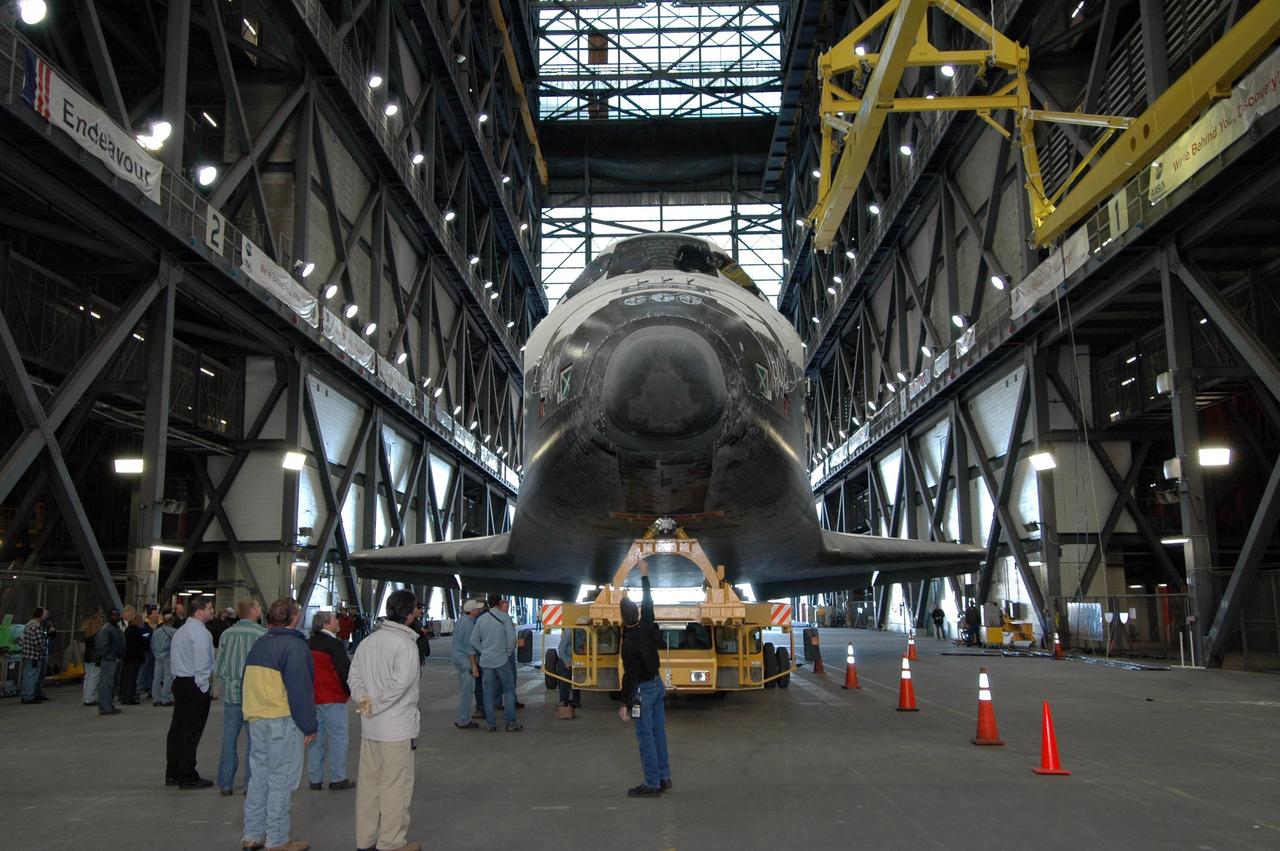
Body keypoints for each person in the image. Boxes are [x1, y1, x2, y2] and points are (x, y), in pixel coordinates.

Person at [241, 597, 316, 851]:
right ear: (294, 618)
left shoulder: (260, 643)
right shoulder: (295, 646)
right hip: (282, 720)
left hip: (256, 717)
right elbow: (300, 690)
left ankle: (252, 834)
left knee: (259, 778)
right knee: (281, 780)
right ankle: (277, 839)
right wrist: (309, 725)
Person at [349, 590, 422, 851]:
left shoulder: (368, 642)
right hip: (396, 728)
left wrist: (365, 703)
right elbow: (399, 685)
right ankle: (391, 842)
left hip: (370, 727)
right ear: (409, 615)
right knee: (395, 787)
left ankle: (365, 840)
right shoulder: (406, 645)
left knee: (369, 785)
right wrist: (376, 704)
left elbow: (354, 677)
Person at [618, 561, 670, 797]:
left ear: (622, 619)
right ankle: (664, 776)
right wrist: (645, 575)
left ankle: (652, 783)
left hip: (643, 693)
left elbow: (630, 676)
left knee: (645, 735)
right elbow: (649, 602)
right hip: (657, 685)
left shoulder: (628, 644)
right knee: (659, 731)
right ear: (638, 613)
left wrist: (624, 703)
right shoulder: (648, 625)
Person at [215, 598, 267, 796]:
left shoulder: (227, 634)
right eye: (259, 607)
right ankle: (250, 784)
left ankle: (225, 783)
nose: (260, 610)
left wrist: (229, 682)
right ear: (252, 611)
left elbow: (219, 668)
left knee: (229, 741)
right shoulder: (261, 634)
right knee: (255, 743)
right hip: (254, 697)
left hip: (232, 696)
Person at [167, 595, 216, 789]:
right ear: (199, 611)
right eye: (210, 608)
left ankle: (173, 772)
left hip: (180, 682)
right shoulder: (200, 633)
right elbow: (202, 663)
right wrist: (204, 687)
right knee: (191, 731)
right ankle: (187, 775)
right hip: (194, 684)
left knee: (178, 729)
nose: (212, 611)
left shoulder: (181, 631)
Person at [307, 610, 354, 791]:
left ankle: (315, 779)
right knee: (338, 738)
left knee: (315, 739)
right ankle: (338, 777)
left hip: (313, 698)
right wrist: (350, 691)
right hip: (333, 697)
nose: (338, 621)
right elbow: (344, 671)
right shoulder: (334, 644)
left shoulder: (308, 643)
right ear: (326, 624)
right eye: (335, 619)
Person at [471, 592, 520, 733]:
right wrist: (507, 653)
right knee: (509, 690)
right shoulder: (504, 617)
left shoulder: (481, 619)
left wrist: (483, 651)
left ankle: (491, 724)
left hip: (486, 661)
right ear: (499, 603)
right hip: (502, 660)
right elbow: (512, 639)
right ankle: (510, 722)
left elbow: (473, 640)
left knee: (488, 692)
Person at [451, 599, 484, 729]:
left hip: (459, 659)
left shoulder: (461, 621)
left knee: (465, 690)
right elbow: (470, 648)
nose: (479, 610)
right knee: (467, 692)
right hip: (466, 662)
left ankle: (463, 718)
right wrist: (474, 666)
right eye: (477, 608)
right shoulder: (469, 625)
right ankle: (463, 719)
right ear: (472, 611)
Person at [94, 608, 125, 715]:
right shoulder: (106, 629)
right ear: (109, 616)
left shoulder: (115, 629)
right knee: (106, 684)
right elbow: (102, 646)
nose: (116, 617)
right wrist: (112, 657)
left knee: (112, 684)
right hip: (109, 661)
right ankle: (105, 707)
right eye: (113, 615)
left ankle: (108, 705)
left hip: (115, 659)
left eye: (117, 615)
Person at [19, 607, 50, 704]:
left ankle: (29, 694)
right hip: (34, 656)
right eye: (44, 614)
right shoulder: (36, 627)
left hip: (29, 654)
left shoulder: (28, 625)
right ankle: (28, 696)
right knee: (31, 676)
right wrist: (44, 649)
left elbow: (21, 641)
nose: (46, 617)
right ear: (41, 615)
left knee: (29, 675)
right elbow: (39, 643)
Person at [151, 608, 178, 706]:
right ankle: (166, 698)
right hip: (168, 656)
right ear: (171, 621)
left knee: (157, 678)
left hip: (158, 657)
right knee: (168, 678)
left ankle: (156, 698)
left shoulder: (156, 632)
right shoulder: (174, 632)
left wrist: (155, 653)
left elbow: (152, 645)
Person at [121, 613, 147, 704]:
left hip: (127, 657)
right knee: (132, 678)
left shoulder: (127, 630)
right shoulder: (136, 631)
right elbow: (142, 643)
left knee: (126, 678)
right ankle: (130, 697)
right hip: (134, 658)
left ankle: (124, 697)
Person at [81, 613, 104, 706]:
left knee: (88, 677)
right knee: (94, 678)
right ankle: (90, 698)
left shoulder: (87, 633)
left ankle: (86, 697)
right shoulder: (98, 634)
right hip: (95, 658)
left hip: (87, 657)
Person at [557, 622, 581, 708]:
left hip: (576, 659)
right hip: (565, 659)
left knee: (577, 681)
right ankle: (563, 701)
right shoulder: (569, 631)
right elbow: (561, 649)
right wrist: (566, 662)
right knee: (565, 681)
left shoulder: (584, 632)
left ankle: (576, 701)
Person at [137, 607, 157, 700]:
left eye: (157, 613)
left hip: (155, 652)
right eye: (154, 614)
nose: (156, 615)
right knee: (142, 671)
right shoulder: (144, 627)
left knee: (152, 672)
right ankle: (138, 690)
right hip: (146, 652)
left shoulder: (159, 626)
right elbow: (143, 639)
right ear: (149, 615)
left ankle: (150, 690)